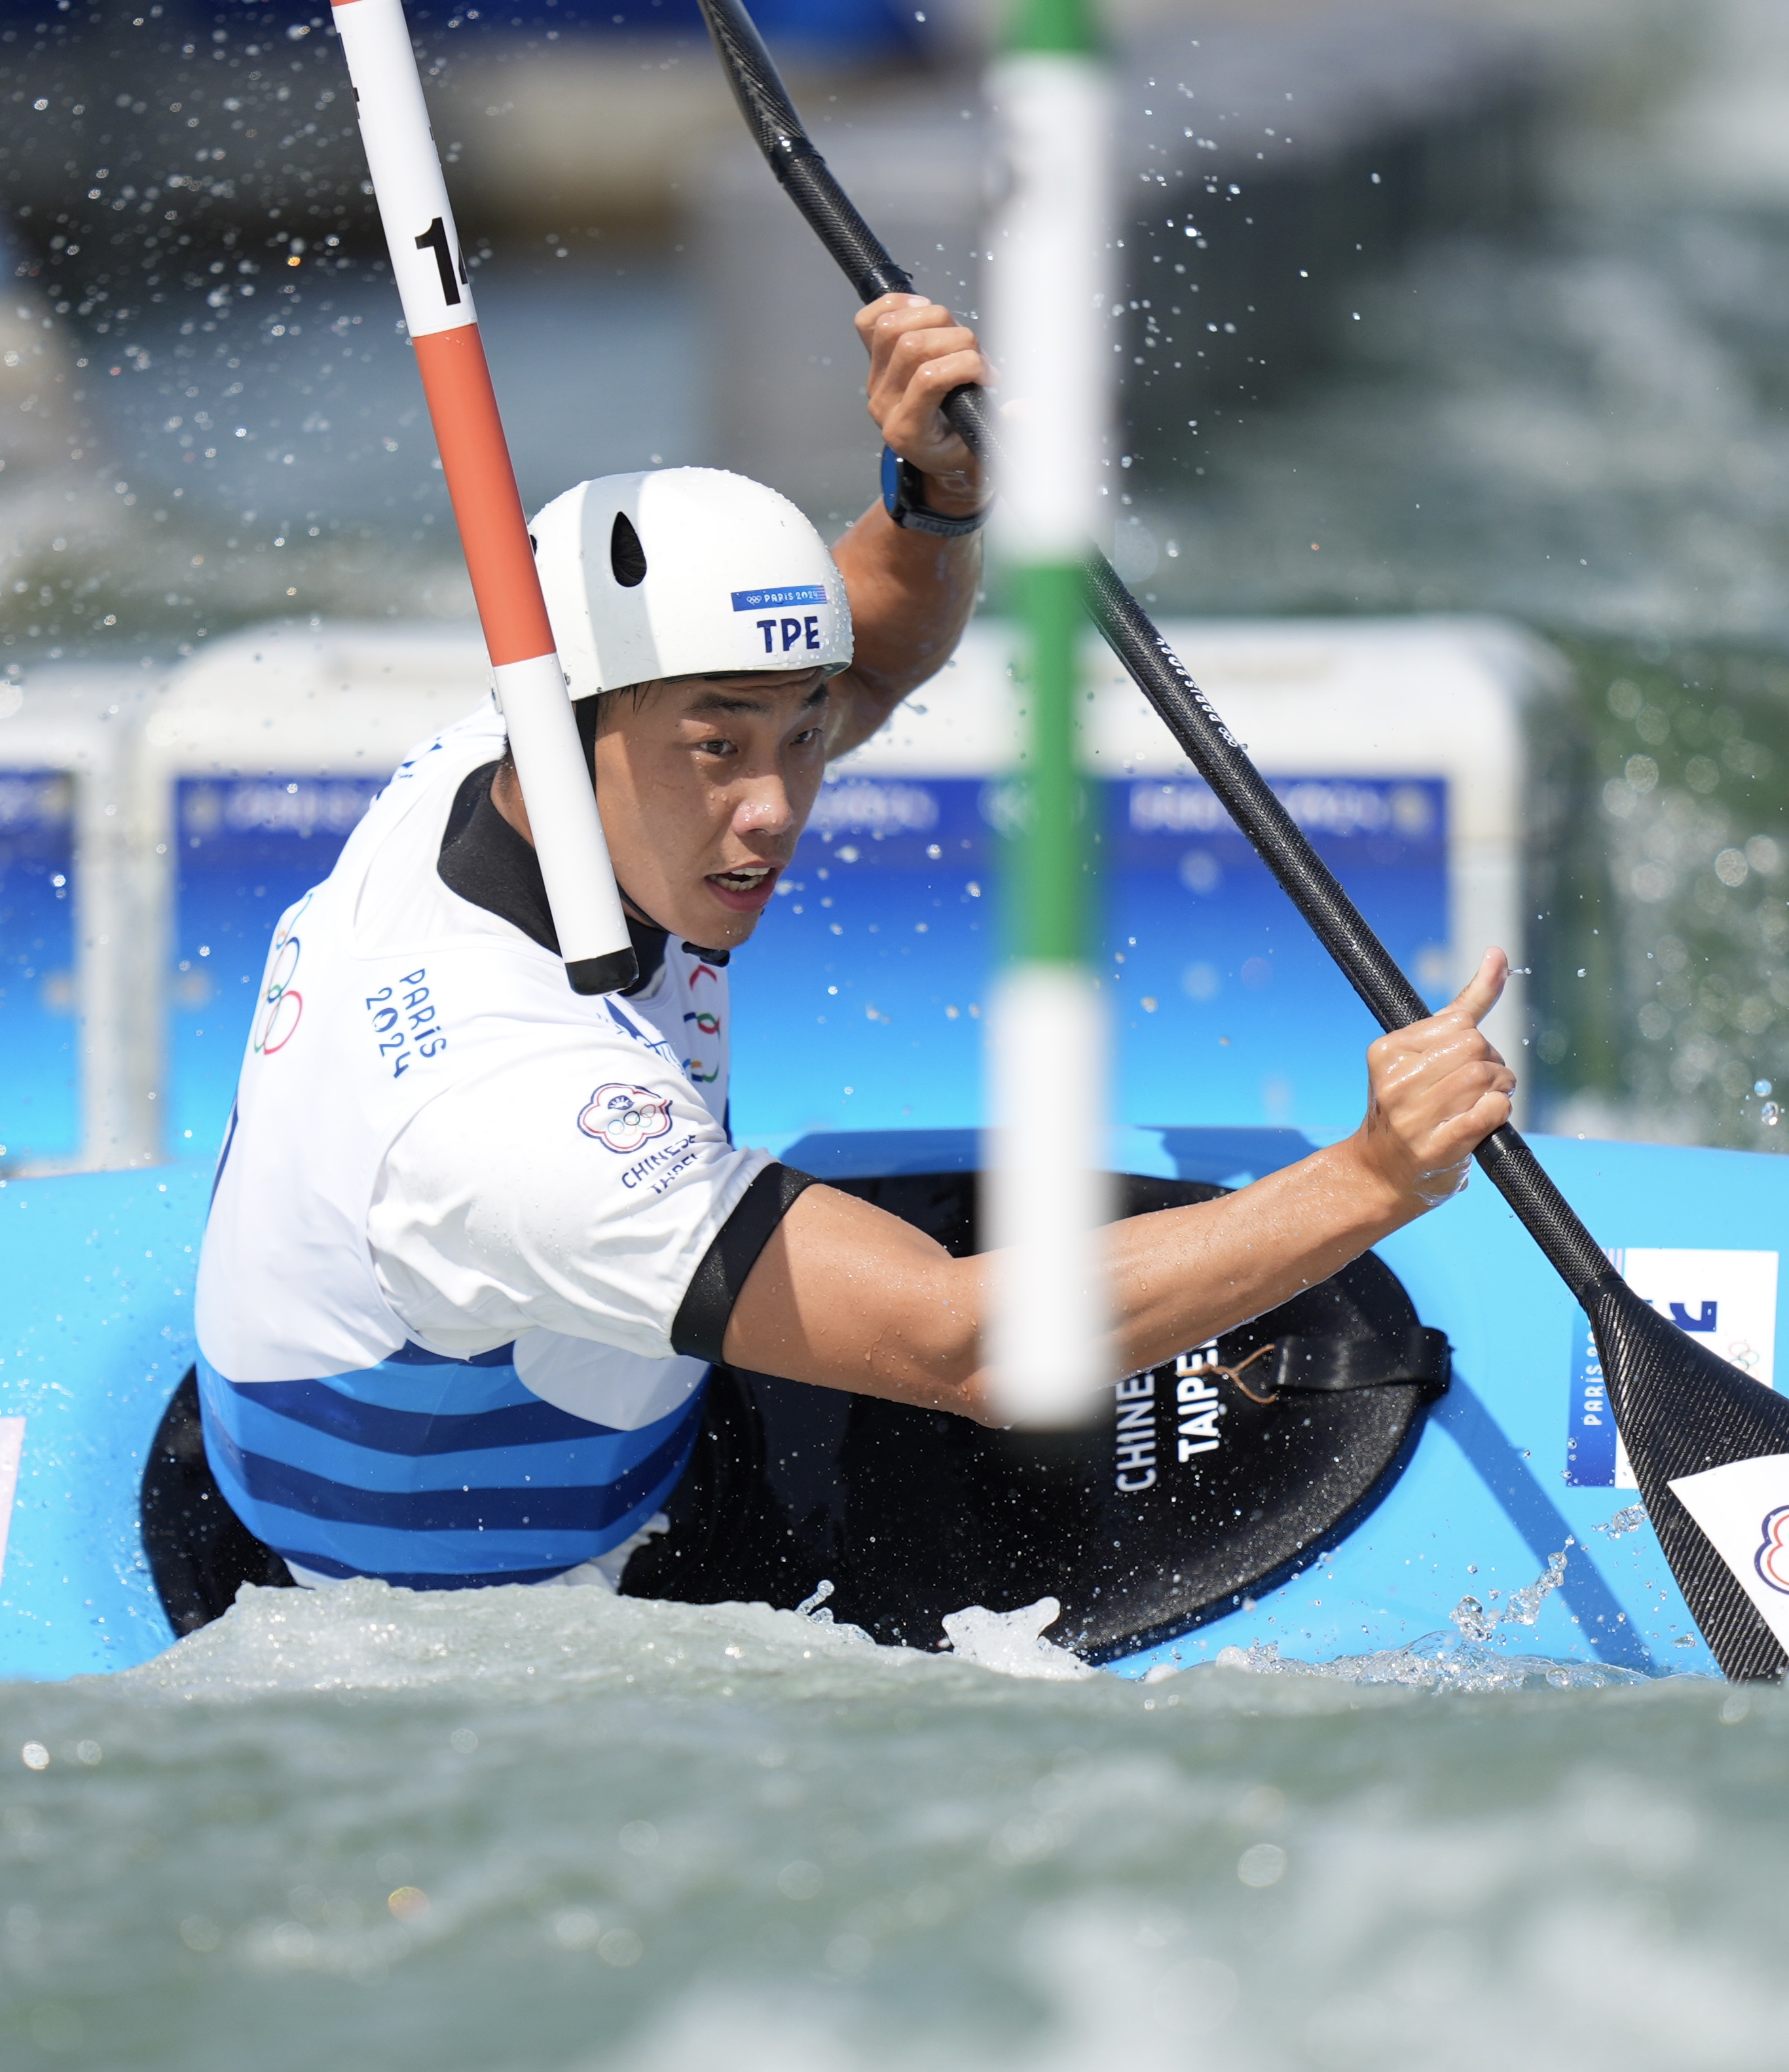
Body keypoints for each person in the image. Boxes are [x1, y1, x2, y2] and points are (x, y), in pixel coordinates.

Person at [191, 295, 1519, 1592]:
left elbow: (867, 660)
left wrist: (934, 502)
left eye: (801, 736)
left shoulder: (484, 771)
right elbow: (971, 1349)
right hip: (518, 1584)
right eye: (716, 746)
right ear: (564, 730)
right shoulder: (516, 1120)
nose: (773, 808)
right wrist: (1372, 1177)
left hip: (522, 1384)